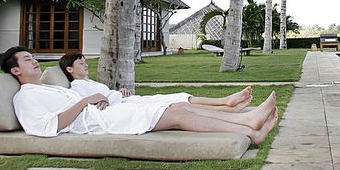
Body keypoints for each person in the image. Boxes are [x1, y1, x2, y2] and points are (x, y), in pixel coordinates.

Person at [0, 47, 278, 145]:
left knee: (178, 107)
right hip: (100, 123)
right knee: (178, 112)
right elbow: (48, 127)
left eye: (33, 57)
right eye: (27, 60)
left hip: (104, 114)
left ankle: (249, 125)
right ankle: (249, 126)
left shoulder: (47, 88)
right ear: (15, 70)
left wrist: (95, 101)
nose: (34, 61)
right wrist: (86, 101)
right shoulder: (25, 97)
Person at [59, 52, 251, 112]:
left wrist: (120, 92)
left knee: (177, 98)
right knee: (174, 101)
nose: (85, 65)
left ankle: (226, 103)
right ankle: (226, 103)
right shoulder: (77, 86)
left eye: (85, 62)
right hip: (124, 107)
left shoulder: (88, 81)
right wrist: (107, 99)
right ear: (69, 69)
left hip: (127, 100)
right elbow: (89, 103)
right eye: (80, 63)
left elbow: (104, 95)